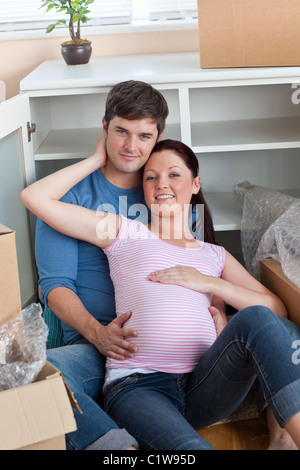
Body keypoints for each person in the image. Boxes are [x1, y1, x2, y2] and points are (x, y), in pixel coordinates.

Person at [21, 137, 300, 450]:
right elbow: (35, 197)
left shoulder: (213, 255)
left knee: (258, 317)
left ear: (195, 184)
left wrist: (211, 283)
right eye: (150, 177)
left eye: (174, 175)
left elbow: (276, 310)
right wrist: (96, 158)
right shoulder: (123, 231)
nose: (161, 184)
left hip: (205, 383)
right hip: (139, 385)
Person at [33, 80, 222, 450]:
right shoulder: (68, 197)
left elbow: (203, 264)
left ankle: (281, 435)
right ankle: (115, 447)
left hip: (171, 347)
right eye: (121, 131)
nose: (131, 147)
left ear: (158, 137)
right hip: (95, 342)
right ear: (105, 128)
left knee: (276, 330)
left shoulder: (166, 188)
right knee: (36, 376)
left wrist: (218, 310)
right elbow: (55, 285)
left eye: (144, 135)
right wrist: (96, 333)